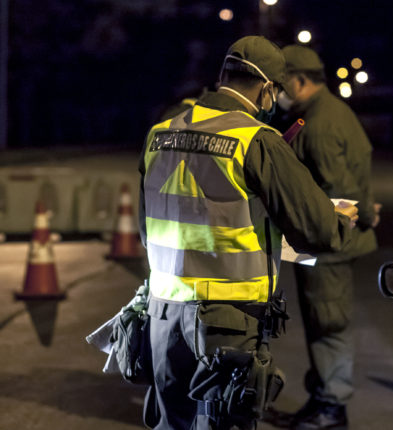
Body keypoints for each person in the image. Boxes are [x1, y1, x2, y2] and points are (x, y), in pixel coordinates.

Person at [137, 35, 358, 430]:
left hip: (163, 317)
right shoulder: (256, 141)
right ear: (267, 88)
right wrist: (342, 221)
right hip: (227, 322)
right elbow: (317, 230)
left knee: (172, 424)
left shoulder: (160, 135)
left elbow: (147, 228)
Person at [279, 44, 379, 430]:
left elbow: (340, 193)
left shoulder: (319, 124)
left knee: (328, 323)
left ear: (300, 80)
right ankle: (321, 397)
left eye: (282, 83)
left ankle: (331, 408)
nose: (278, 92)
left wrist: (365, 211)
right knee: (321, 321)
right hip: (321, 243)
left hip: (328, 245)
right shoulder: (325, 113)